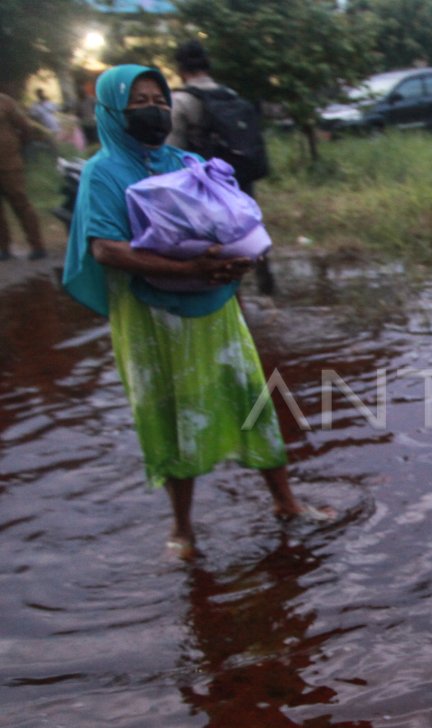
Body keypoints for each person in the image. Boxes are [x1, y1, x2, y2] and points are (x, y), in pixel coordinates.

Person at [61, 64, 327, 558]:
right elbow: (106, 250)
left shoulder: (185, 160)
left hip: (213, 304)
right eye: (137, 102)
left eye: (158, 99)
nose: (153, 109)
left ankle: (285, 502)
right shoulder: (104, 172)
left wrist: (234, 256)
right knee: (171, 412)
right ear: (112, 111)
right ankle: (182, 528)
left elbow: (225, 220)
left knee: (250, 397)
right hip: (152, 316)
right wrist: (192, 269)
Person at [168, 39, 275, 295]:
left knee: (215, 246)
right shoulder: (230, 96)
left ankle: (232, 300)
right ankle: (265, 282)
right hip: (239, 179)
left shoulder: (180, 101)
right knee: (249, 230)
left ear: (180, 69)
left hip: (204, 186)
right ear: (208, 66)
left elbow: (171, 150)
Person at [0, 91, 48, 261]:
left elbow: (25, 127)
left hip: (9, 164)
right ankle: (4, 248)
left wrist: (17, 147)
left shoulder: (5, 102)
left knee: (21, 204)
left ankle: (37, 245)